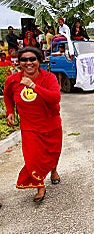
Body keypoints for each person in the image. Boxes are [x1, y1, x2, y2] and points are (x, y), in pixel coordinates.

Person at [4, 47, 62, 202]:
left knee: (53, 152)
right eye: (24, 60)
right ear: (19, 62)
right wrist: (10, 112)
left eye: (32, 59)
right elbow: (7, 95)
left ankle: (53, 171)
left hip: (51, 123)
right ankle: (40, 185)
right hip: (29, 126)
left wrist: (34, 86)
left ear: (39, 61)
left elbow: (55, 98)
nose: (28, 63)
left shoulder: (49, 78)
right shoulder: (13, 80)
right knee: (34, 157)